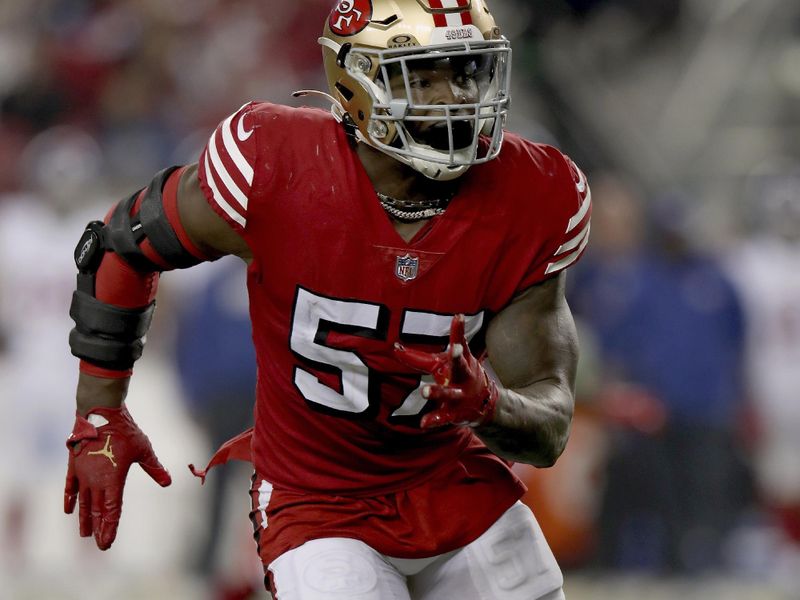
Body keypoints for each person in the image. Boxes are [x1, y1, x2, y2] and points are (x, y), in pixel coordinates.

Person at [63, 1, 591, 598]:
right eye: (421, 76)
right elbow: (120, 245)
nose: (453, 97)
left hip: (453, 483)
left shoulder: (532, 193)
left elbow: (550, 427)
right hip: (318, 499)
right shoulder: (276, 162)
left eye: (466, 71)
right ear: (356, 79)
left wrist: (489, 405)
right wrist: (99, 412)